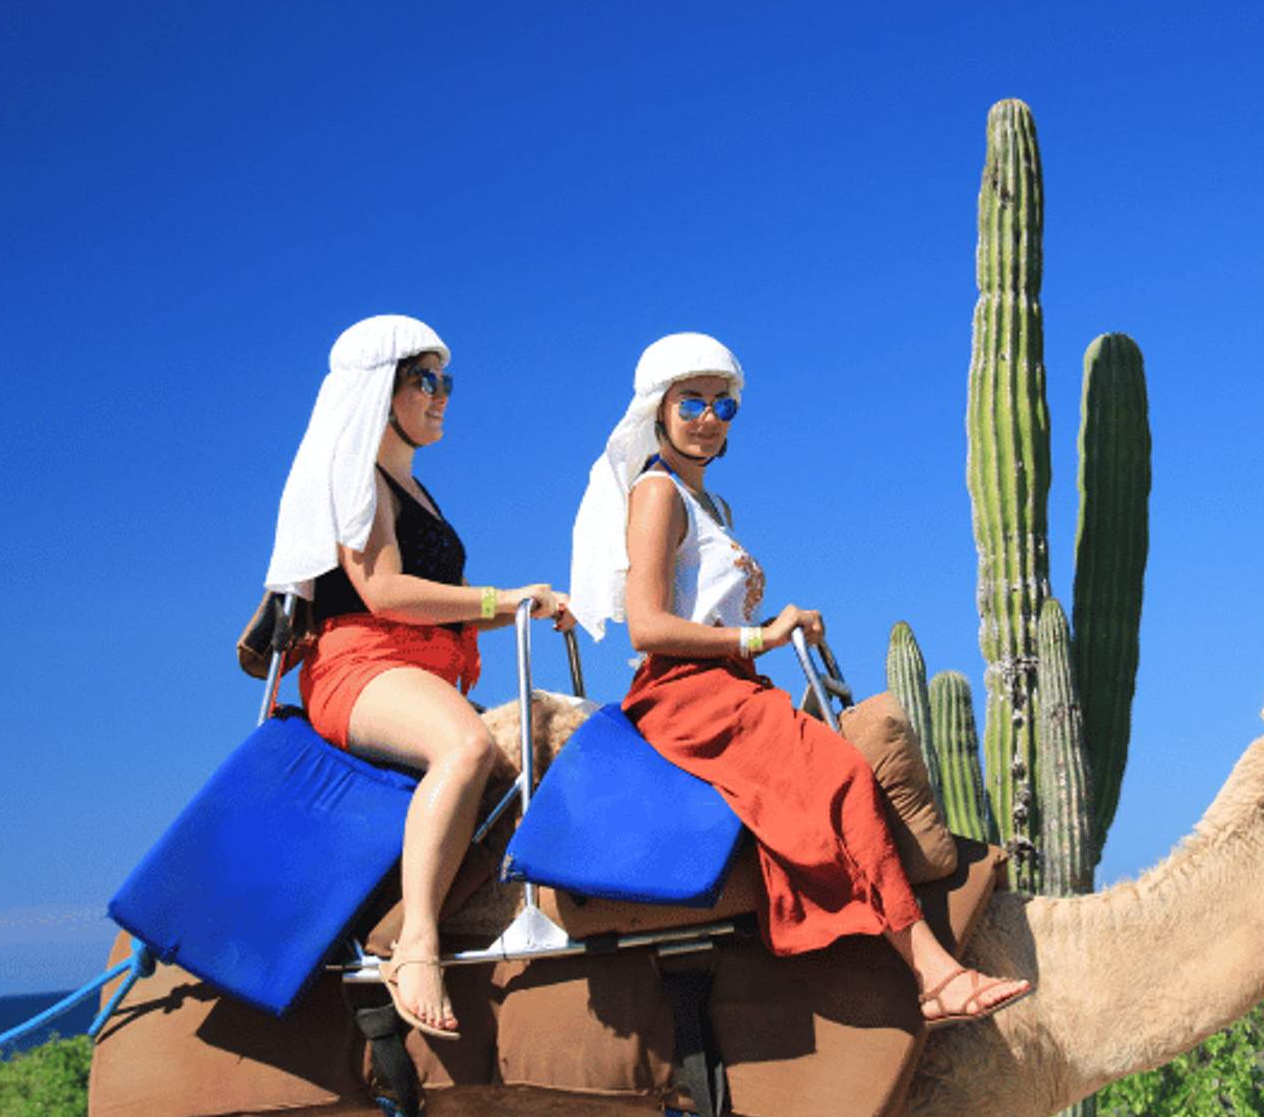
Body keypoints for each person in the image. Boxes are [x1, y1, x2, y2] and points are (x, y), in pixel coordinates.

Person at [567, 333, 1032, 1026]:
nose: (708, 417)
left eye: (723, 405)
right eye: (690, 400)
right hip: (684, 693)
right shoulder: (657, 492)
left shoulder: (711, 507)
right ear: (658, 410)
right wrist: (761, 633)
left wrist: (772, 629)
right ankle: (936, 976)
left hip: (731, 682)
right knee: (839, 775)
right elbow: (647, 627)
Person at [266, 314, 572, 1040]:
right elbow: (385, 592)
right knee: (468, 749)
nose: (441, 396)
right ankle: (417, 945)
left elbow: (442, 607)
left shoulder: (416, 489)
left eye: (446, 382)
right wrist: (505, 599)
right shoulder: (359, 479)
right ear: (382, 390)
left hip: (417, 665)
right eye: (425, 381)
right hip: (362, 664)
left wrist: (532, 601)